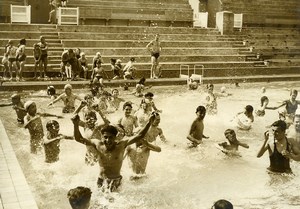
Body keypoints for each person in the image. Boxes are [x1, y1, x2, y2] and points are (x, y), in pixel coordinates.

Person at [71, 111, 155, 192]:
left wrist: (149, 123)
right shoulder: (98, 144)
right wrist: (75, 125)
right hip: (101, 180)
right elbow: (79, 139)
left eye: (111, 137)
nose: (108, 140)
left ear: (115, 137)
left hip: (116, 181)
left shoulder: (121, 145)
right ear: (102, 137)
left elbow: (140, 135)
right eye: (105, 137)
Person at [126, 112, 165, 177]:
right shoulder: (129, 146)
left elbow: (160, 146)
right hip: (131, 175)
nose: (159, 121)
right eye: (157, 120)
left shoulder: (158, 130)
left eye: (159, 119)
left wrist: (147, 144)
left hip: (148, 147)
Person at [73, 100, 110, 166]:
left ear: (95, 120)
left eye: (91, 119)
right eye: (87, 119)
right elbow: (73, 117)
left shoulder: (98, 127)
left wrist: (99, 111)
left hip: (99, 153)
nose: (89, 120)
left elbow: (107, 122)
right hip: (88, 153)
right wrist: (80, 107)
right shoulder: (85, 126)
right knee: (88, 171)